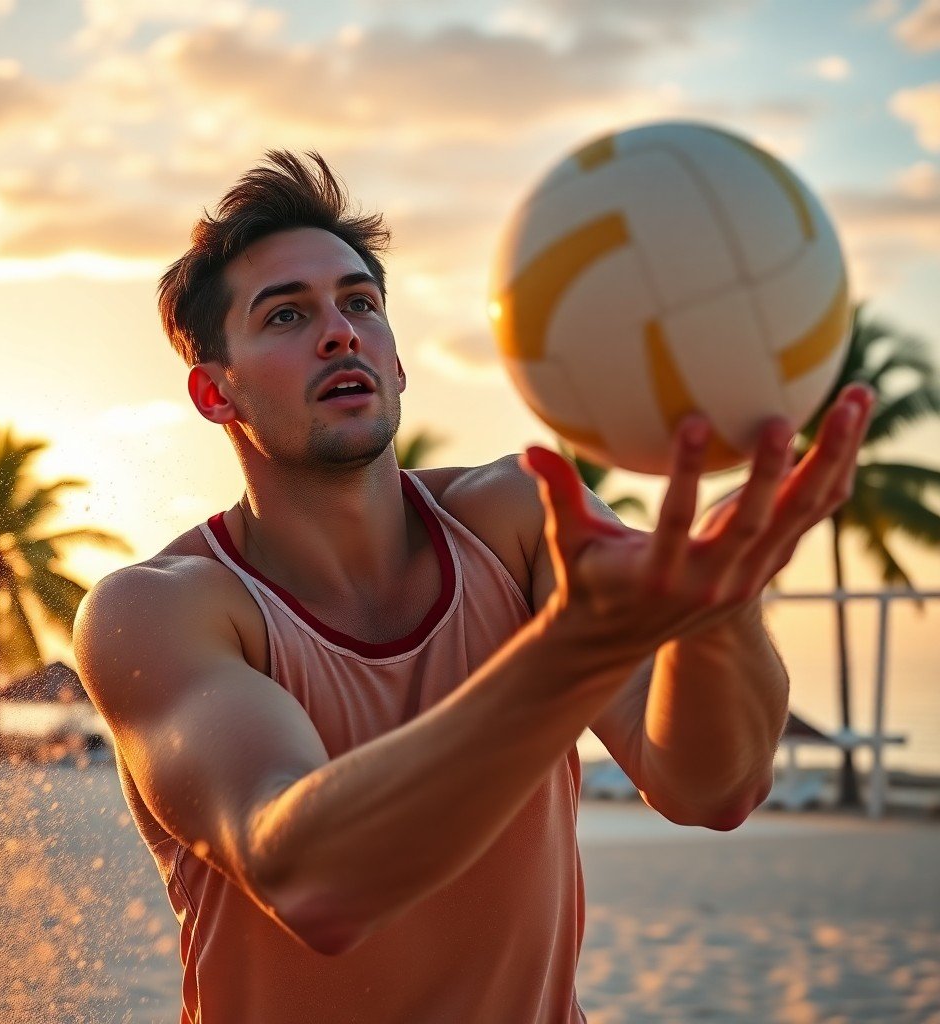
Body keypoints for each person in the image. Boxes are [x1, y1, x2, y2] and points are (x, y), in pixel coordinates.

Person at [73, 151, 873, 1024]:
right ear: (214, 392)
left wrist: (722, 614)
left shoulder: (514, 520)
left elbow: (711, 789)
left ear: (398, 359)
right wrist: (569, 651)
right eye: (287, 315)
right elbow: (311, 878)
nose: (340, 332)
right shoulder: (160, 610)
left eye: (361, 304)